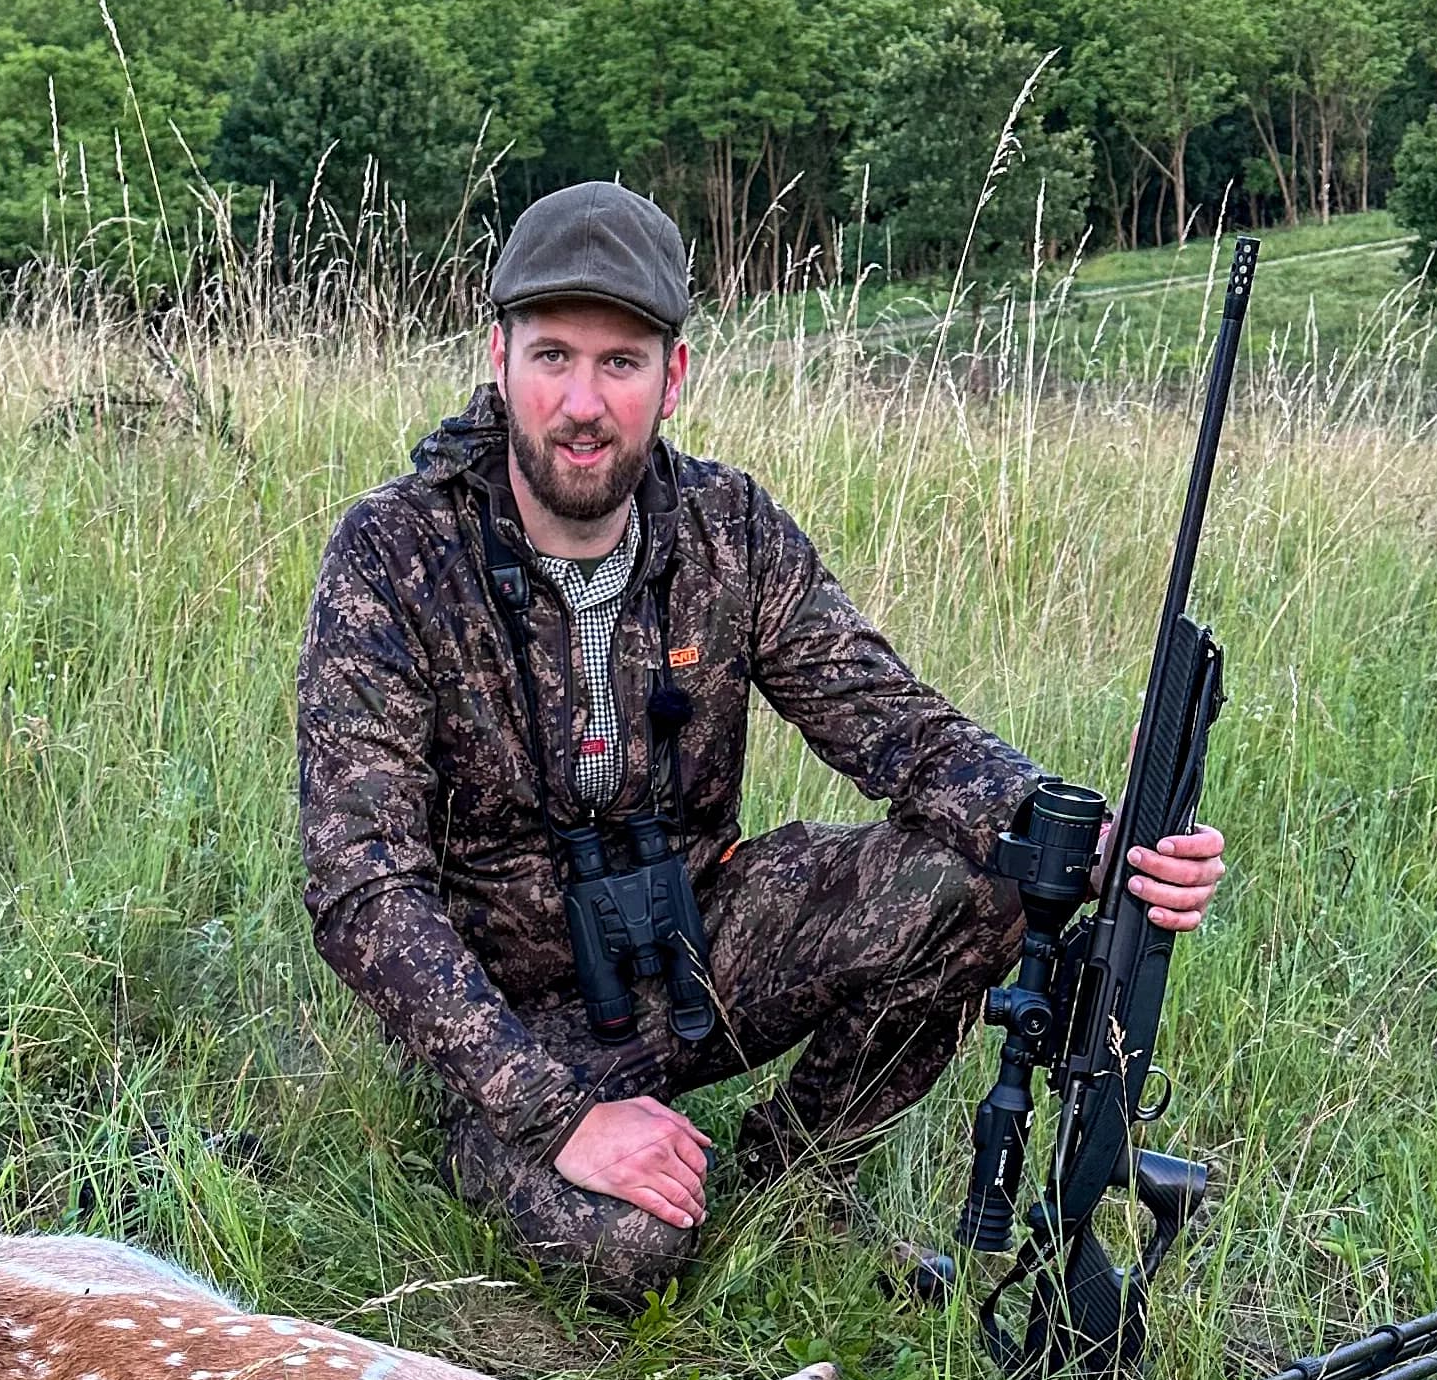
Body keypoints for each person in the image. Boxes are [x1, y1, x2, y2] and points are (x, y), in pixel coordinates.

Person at [296, 180, 1226, 1305]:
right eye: (553, 357)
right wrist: (554, 1113)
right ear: (498, 358)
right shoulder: (394, 553)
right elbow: (361, 883)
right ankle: (630, 1177)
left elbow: (892, 723)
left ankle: (787, 1192)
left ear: (672, 377)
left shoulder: (726, 527)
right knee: (633, 1255)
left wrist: (1077, 839)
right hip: (512, 1022)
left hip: (697, 952)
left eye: (621, 363)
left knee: (985, 879)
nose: (581, 403)